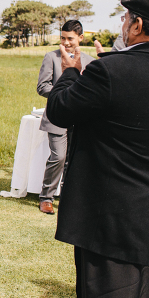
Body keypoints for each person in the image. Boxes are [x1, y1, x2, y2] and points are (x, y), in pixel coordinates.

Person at [47, 0, 149, 298]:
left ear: (138, 24)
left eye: (126, 19)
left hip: (113, 221)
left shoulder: (109, 71)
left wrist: (70, 73)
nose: (123, 24)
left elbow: (60, 110)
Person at [35, 19, 94, 214]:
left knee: (73, 160)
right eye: (62, 38)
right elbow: (42, 87)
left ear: (80, 38)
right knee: (58, 157)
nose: (66, 42)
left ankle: (69, 197)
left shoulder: (90, 61)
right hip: (57, 115)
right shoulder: (50, 57)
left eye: (70, 38)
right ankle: (46, 197)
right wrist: (64, 96)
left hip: (80, 119)